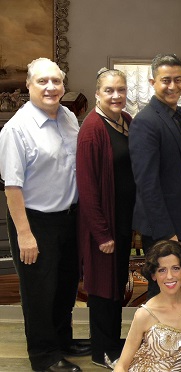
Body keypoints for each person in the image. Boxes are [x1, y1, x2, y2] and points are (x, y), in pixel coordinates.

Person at [0, 58, 90, 372]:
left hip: (68, 217)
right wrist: (24, 234)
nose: (51, 87)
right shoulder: (16, 130)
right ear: (29, 86)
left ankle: (63, 340)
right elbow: (12, 188)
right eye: (42, 81)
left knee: (66, 286)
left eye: (56, 81)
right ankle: (44, 356)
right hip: (35, 221)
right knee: (40, 292)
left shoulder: (67, 116)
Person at [76, 68, 136, 368]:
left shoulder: (125, 121)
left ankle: (112, 341)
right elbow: (86, 189)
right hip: (103, 227)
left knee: (115, 286)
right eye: (109, 90)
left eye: (121, 90)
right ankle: (102, 351)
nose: (116, 96)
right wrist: (102, 234)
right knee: (101, 288)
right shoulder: (92, 130)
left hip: (122, 222)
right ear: (98, 93)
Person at [129, 54, 181, 299]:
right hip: (163, 227)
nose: (173, 86)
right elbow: (147, 183)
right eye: (165, 80)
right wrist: (168, 233)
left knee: (177, 291)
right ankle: (154, 338)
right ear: (152, 82)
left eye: (178, 80)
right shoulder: (145, 122)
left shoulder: (176, 116)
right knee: (162, 292)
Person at [114, 240, 181, 372]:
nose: (169, 276)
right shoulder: (144, 314)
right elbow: (122, 366)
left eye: (176, 268)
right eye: (162, 270)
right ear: (154, 275)